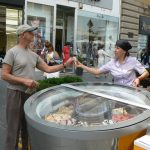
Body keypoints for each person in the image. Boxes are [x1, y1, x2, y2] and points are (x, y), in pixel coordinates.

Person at [1, 24, 73, 150]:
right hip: (15, 94)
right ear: (23, 34)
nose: (33, 34)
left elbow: (48, 69)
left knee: (27, 128)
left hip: (29, 94)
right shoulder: (12, 52)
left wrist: (65, 65)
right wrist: (24, 81)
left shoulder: (33, 55)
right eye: (31, 32)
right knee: (13, 129)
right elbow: (4, 75)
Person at [75, 39, 149, 87]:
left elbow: (146, 73)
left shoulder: (132, 61)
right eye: (115, 47)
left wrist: (138, 78)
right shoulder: (112, 63)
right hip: (117, 93)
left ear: (124, 51)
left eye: (117, 48)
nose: (115, 50)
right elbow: (97, 72)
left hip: (131, 93)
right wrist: (82, 66)